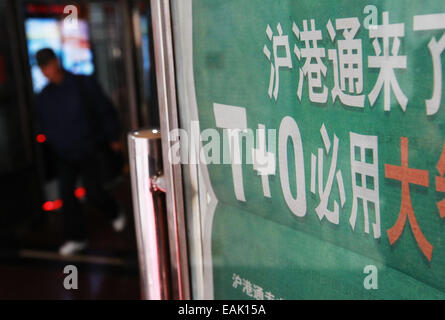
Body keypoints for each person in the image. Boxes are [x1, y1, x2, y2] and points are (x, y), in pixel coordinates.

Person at [34, 48, 126, 256]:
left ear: (56, 62)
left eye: (48, 64)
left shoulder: (82, 83)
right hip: (65, 154)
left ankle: (114, 210)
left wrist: (112, 137)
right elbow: (43, 125)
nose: (47, 70)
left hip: (89, 148)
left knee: (93, 192)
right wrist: (52, 141)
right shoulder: (44, 96)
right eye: (42, 67)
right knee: (67, 196)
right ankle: (76, 237)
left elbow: (104, 109)